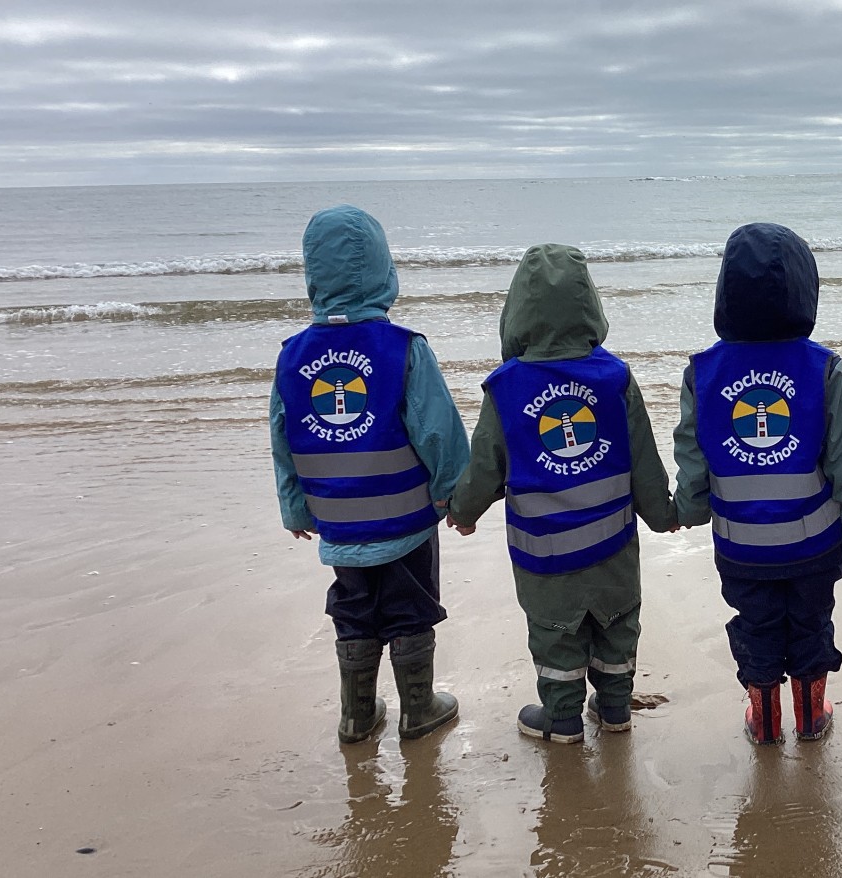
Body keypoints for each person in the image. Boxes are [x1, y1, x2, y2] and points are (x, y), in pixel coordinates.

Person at [445, 244, 678, 744]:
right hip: (613, 547)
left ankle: (563, 719)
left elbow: (486, 461)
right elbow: (643, 457)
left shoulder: (506, 387)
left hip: (543, 552)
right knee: (617, 627)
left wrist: (463, 510)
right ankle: (615, 710)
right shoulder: (615, 378)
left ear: (516, 314)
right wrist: (662, 515)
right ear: (590, 305)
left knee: (555, 635)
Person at [673, 222, 842, 745]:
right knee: (811, 623)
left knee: (757, 626)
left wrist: (689, 507)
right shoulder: (821, 367)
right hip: (816, 544)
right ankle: (812, 717)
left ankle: (765, 720)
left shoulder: (703, 372)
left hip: (742, 545)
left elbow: (692, 453)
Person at [270, 204, 468, 744]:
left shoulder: (291, 357)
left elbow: (283, 442)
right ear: (385, 270)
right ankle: (418, 708)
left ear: (312, 273)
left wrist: (293, 507)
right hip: (405, 519)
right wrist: (456, 496)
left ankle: (356, 716)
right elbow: (439, 433)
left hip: (337, 523)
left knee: (353, 609)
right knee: (410, 607)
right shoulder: (403, 349)